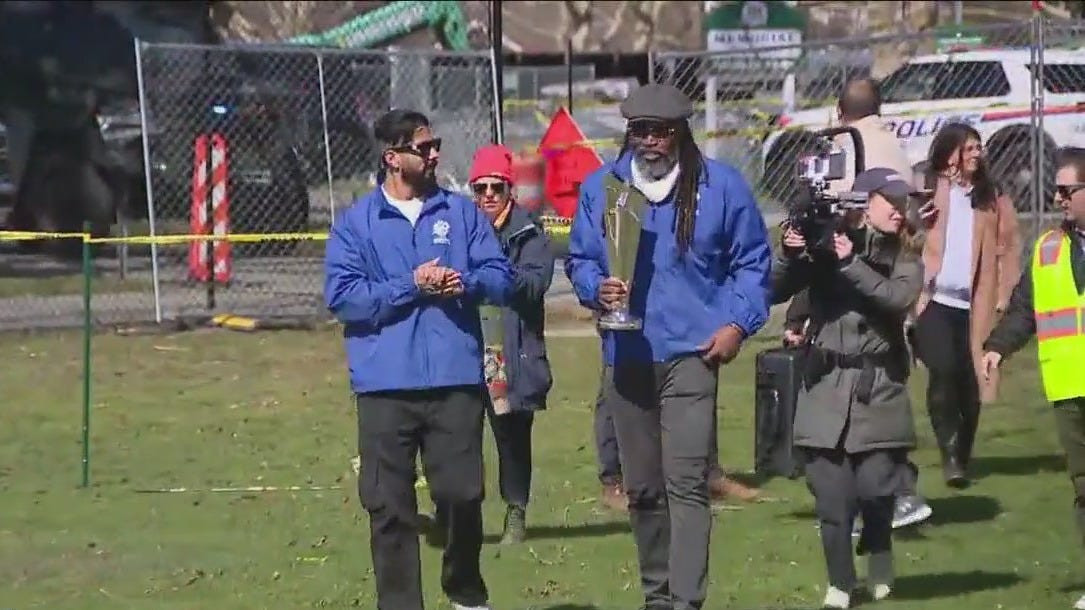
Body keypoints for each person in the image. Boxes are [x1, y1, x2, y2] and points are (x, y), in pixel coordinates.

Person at [565, 83, 772, 610]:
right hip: (627, 355)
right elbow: (582, 258)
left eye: (660, 132)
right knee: (644, 489)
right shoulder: (603, 189)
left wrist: (737, 325)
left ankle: (686, 601)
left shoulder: (721, 187)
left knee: (686, 483)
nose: (650, 142)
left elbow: (752, 263)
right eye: (640, 131)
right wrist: (595, 289)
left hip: (694, 354)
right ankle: (656, 596)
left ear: (681, 133)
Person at [324, 109, 512, 610]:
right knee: (389, 508)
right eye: (424, 147)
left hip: (453, 380)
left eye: (435, 145)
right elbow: (345, 299)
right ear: (392, 158)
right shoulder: (356, 225)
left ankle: (466, 592)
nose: (435, 154)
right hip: (385, 385)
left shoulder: (462, 213)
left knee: (462, 496)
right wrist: (411, 286)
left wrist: (464, 282)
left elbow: (500, 276)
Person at [772, 168, 923, 608]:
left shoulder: (906, 252)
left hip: (878, 387)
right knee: (832, 499)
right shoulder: (830, 241)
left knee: (877, 487)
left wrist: (850, 264)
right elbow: (774, 289)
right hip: (824, 387)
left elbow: (896, 298)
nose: (900, 211)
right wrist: (790, 252)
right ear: (865, 202)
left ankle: (878, 550)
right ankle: (840, 583)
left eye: (903, 203)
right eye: (890, 201)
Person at [981, 146, 1085, 610]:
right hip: (1070, 389)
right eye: (1058, 190)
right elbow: (1024, 308)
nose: (1059, 198)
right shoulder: (1048, 249)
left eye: (1068, 190)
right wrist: (997, 347)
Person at [832, 77, 932, 528]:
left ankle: (896, 493)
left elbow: (842, 215)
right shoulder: (894, 144)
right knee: (883, 390)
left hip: (868, 279)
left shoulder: (845, 147)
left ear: (840, 110)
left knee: (870, 398)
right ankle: (887, 494)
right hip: (897, 274)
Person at [912, 122, 1021, 488]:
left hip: (976, 306)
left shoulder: (991, 196)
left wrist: (1006, 293)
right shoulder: (929, 187)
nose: (976, 154)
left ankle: (963, 454)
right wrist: (918, 223)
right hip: (935, 300)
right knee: (942, 370)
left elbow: (1008, 246)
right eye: (969, 148)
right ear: (950, 153)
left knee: (971, 382)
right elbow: (906, 234)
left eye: (979, 148)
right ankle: (949, 454)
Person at [466, 143, 555, 544]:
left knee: (511, 437)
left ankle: (515, 511)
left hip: (509, 352)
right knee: (459, 434)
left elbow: (535, 284)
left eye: (495, 188)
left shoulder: (530, 233)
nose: (487, 196)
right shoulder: (461, 229)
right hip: (468, 349)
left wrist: (491, 271)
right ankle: (459, 513)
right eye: (480, 188)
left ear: (509, 191)